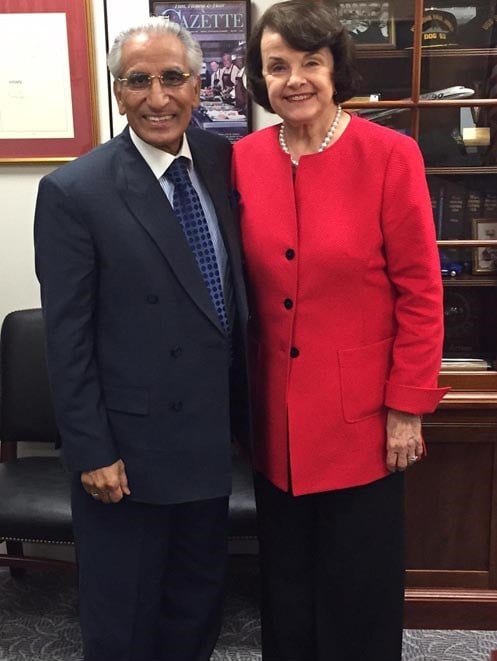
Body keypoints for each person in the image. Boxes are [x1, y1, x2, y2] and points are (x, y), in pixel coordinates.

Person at [231, 2, 449, 660]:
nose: (294, 79)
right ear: (258, 78)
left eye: (310, 63)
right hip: (274, 420)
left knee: (358, 588)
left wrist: (406, 405)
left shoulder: (389, 154)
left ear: (335, 70)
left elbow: (419, 290)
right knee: (286, 588)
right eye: (277, 66)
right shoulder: (239, 160)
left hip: (364, 421)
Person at [34, 17, 249, 661]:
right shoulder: (75, 190)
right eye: (139, 81)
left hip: (210, 441)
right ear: (118, 92)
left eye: (174, 78)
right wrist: (91, 451)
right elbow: (65, 340)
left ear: (198, 81)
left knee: (195, 605)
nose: (159, 97)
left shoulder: (223, 162)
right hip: (124, 456)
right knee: (123, 621)